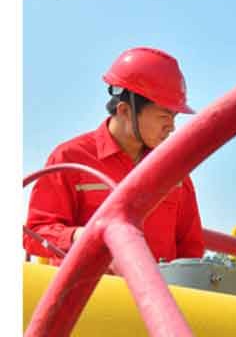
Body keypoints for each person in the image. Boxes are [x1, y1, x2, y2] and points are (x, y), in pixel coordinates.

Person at [24, 47, 204, 263]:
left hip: (152, 296)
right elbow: (35, 234)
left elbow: (190, 253)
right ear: (125, 111)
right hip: (89, 295)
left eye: (174, 117)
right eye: (164, 116)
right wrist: (80, 237)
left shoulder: (175, 173)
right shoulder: (70, 159)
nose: (172, 127)